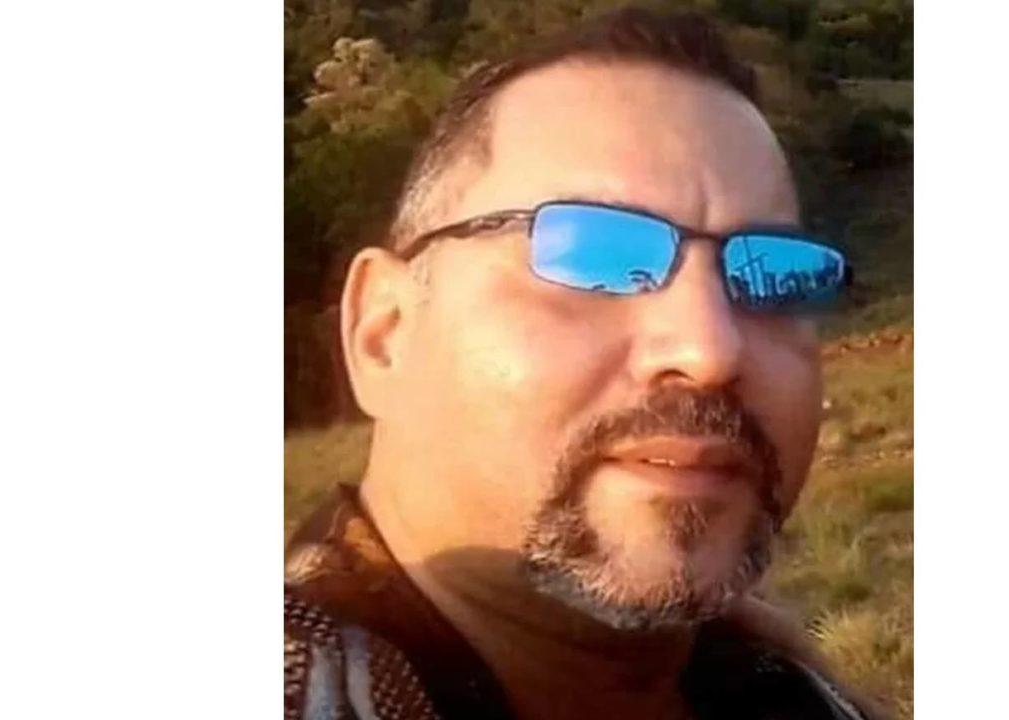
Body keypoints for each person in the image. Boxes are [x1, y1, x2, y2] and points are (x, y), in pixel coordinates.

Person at [284, 8, 873, 719]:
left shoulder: (795, 694)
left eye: (773, 276)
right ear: (384, 332)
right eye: (595, 256)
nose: (711, 349)